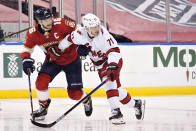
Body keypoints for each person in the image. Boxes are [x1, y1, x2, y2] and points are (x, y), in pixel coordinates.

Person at [59, 13, 146, 125]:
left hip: (112, 61)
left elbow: (114, 51)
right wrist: (58, 49)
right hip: (100, 65)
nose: (96, 29)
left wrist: (112, 65)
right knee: (116, 91)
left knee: (109, 85)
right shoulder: (79, 34)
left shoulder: (104, 36)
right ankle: (136, 104)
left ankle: (116, 113)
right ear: (86, 28)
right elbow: (67, 40)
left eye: (97, 26)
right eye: (93, 27)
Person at [20, 8, 93, 120]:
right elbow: (26, 49)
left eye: (50, 17)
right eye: (45, 20)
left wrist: (83, 45)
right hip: (52, 61)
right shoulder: (32, 33)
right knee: (40, 82)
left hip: (72, 60)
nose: (49, 21)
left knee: (75, 95)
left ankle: (86, 99)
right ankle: (43, 107)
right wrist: (26, 60)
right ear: (38, 21)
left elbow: (81, 30)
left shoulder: (63, 23)